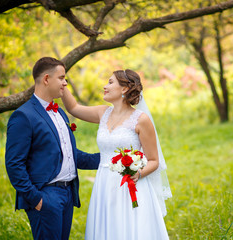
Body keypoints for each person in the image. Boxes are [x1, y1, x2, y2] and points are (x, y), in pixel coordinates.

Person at [61, 69, 172, 240]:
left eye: (110, 82)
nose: (105, 86)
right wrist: (62, 82)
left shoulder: (141, 119)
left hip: (131, 184)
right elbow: (73, 108)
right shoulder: (102, 113)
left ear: (125, 89)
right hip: (104, 184)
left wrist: (138, 173)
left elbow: (153, 160)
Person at [5, 57, 100, 240]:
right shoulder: (23, 116)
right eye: (62, 78)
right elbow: (14, 164)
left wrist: (108, 158)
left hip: (68, 194)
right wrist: (37, 200)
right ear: (46, 79)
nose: (65, 83)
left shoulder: (59, 112)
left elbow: (69, 155)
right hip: (46, 196)